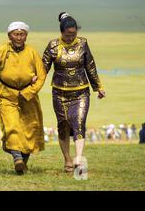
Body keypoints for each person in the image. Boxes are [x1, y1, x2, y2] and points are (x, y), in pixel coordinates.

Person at [42, 12, 106, 173]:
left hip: (81, 92)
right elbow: (43, 68)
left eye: (73, 34)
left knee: (79, 123)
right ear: (61, 32)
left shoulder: (83, 44)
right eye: (67, 34)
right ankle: (67, 159)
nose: (71, 37)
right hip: (60, 93)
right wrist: (34, 82)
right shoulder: (53, 45)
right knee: (63, 125)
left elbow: (90, 66)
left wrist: (98, 87)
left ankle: (78, 158)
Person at [0, 21, 46, 175]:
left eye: (22, 34)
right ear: (9, 35)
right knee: (11, 126)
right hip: (6, 94)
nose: (19, 37)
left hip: (28, 95)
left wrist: (30, 91)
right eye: (16, 34)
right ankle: (17, 157)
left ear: (26, 35)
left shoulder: (32, 52)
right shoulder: (1, 51)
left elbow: (42, 75)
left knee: (30, 128)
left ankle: (22, 162)